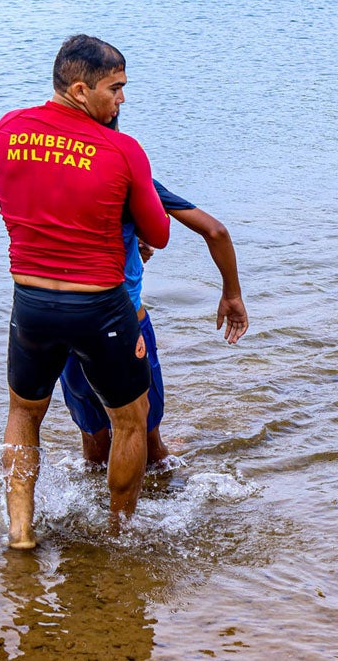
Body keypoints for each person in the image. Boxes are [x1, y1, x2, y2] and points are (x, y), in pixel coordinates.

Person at [0, 34, 170, 550]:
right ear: (79, 89)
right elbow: (156, 234)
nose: (121, 101)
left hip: (30, 301)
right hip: (100, 305)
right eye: (115, 89)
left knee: (25, 412)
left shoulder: (9, 128)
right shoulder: (123, 149)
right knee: (130, 423)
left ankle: (21, 531)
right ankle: (120, 530)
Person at [59, 177, 249, 466]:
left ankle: (90, 509)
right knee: (147, 441)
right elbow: (216, 231)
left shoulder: (50, 174)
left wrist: (132, 241)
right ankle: (151, 505)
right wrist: (232, 294)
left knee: (94, 448)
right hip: (125, 327)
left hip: (68, 327)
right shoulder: (126, 175)